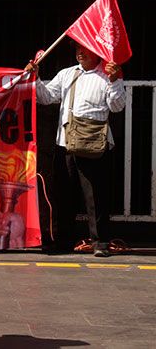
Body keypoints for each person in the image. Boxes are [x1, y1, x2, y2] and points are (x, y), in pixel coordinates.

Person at [25, 41, 125, 257]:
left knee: (96, 196)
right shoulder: (67, 74)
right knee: (63, 194)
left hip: (94, 145)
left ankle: (100, 243)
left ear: (97, 52)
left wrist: (115, 80)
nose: (80, 52)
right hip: (65, 144)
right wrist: (36, 78)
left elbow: (117, 106)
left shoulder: (107, 75)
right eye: (78, 49)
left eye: (86, 49)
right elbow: (46, 97)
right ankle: (63, 241)